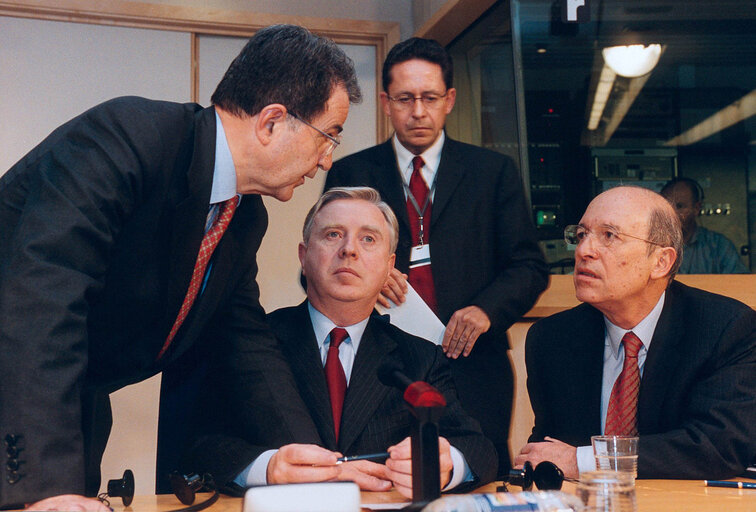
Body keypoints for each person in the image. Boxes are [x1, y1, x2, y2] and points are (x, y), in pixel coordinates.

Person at [0, 24, 361, 510]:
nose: (327, 160)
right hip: (23, 402)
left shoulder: (244, 216)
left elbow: (245, 341)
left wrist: (313, 462)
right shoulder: (127, 139)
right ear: (272, 121)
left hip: (70, 408)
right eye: (328, 136)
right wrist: (47, 488)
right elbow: (43, 303)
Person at [324, 37, 548, 476]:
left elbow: (528, 265)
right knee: (383, 475)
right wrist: (363, 276)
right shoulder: (350, 172)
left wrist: (485, 310)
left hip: (473, 362)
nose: (418, 112)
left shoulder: (492, 172)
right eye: (405, 99)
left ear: (450, 100)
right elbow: (316, 266)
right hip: (382, 364)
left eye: (429, 98)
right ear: (386, 103)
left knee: (479, 472)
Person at [185, 187, 498, 497]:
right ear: (303, 257)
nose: (349, 249)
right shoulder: (254, 341)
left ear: (389, 268)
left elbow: (479, 448)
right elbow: (202, 446)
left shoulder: (419, 358)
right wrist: (267, 469)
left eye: (368, 239)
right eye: (333, 234)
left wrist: (447, 464)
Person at [515, 186, 756, 479]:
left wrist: (587, 460)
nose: (583, 250)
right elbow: (550, 451)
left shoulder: (724, 328)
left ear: (660, 262)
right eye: (581, 235)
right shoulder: (551, 339)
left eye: (609, 236)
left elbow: (719, 445)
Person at [660, 177, 749, 274]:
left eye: (679, 206)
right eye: (667, 206)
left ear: (696, 208)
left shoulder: (719, 246)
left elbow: (739, 283)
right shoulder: (652, 245)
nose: (672, 212)